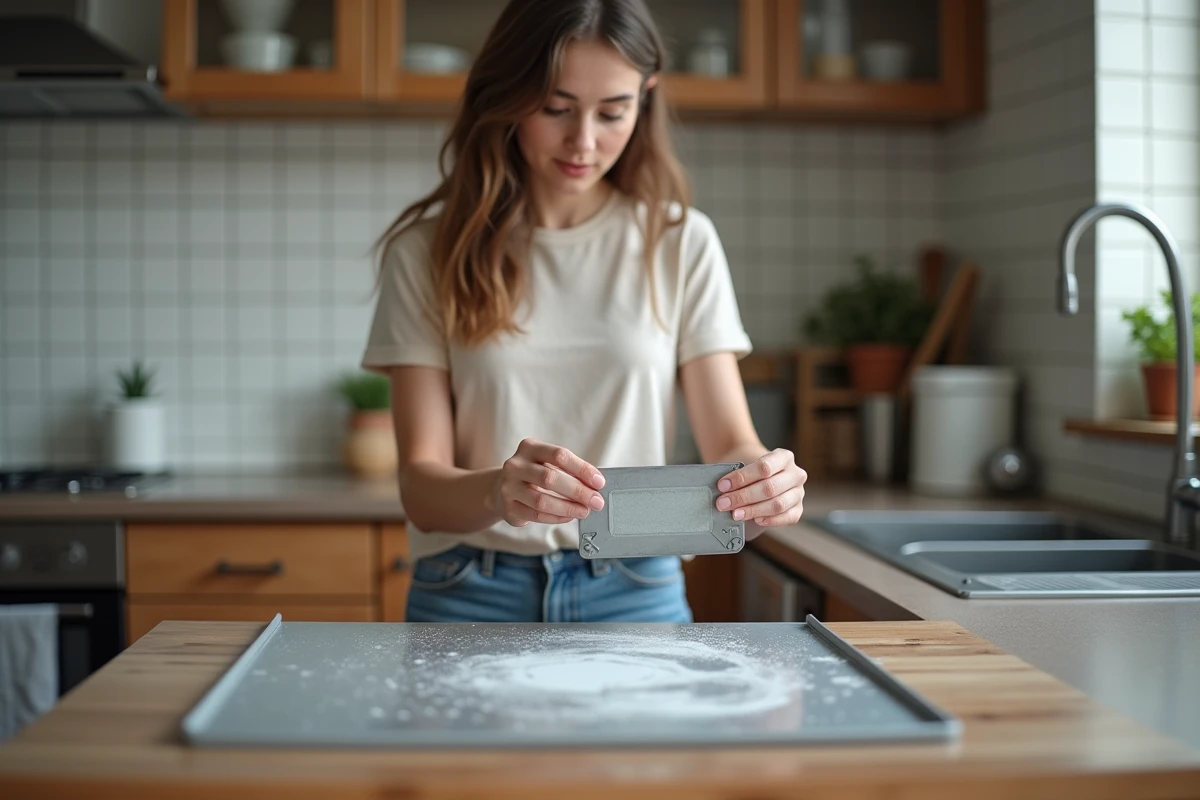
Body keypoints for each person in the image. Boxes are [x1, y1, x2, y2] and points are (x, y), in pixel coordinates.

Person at [362, 0, 806, 624]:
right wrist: (498, 491)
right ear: (507, 96)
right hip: (469, 589)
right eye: (556, 108)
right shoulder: (428, 253)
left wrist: (764, 486)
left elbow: (731, 441)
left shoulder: (681, 242)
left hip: (636, 587)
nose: (584, 140)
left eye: (614, 111)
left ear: (645, 99)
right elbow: (421, 488)